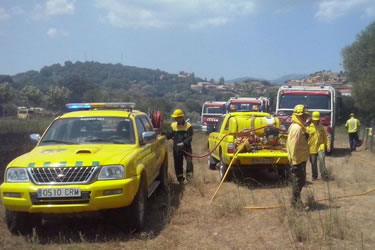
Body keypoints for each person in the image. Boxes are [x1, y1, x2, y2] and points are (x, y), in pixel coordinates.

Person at [287, 104, 310, 208]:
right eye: (303, 115)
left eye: (305, 115)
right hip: (297, 160)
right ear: (297, 116)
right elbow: (292, 145)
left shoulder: (299, 126)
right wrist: (293, 162)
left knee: (301, 180)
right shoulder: (297, 128)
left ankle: (296, 202)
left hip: (300, 158)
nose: (305, 117)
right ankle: (296, 203)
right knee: (298, 181)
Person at [166, 109, 194, 184]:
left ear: (181, 117)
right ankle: (180, 179)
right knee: (178, 163)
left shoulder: (188, 126)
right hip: (177, 148)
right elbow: (169, 135)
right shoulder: (173, 126)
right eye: (175, 118)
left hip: (186, 148)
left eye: (177, 117)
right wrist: (163, 134)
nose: (175, 119)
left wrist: (183, 143)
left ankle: (190, 178)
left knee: (189, 162)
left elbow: (189, 137)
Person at [306, 111, 329, 181]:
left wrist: (328, 146)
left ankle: (324, 175)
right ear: (312, 119)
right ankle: (314, 176)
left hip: (320, 146)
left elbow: (325, 137)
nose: (316, 121)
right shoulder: (308, 128)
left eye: (317, 120)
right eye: (315, 120)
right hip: (312, 147)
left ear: (319, 119)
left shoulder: (321, 128)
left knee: (322, 159)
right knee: (313, 162)